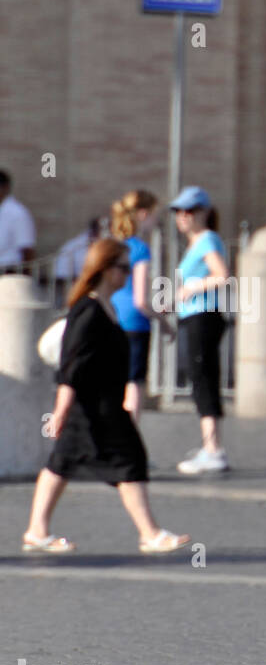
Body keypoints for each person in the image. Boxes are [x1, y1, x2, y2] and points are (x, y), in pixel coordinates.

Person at [21, 239, 190, 554]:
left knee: (62, 463)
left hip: (103, 404)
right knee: (127, 461)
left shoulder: (105, 306)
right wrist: (60, 410)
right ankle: (149, 533)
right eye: (123, 268)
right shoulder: (88, 309)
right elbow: (72, 365)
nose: (127, 274)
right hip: (92, 407)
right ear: (106, 269)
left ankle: (36, 530)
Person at [170, 186, 231, 474]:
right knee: (199, 377)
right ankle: (210, 445)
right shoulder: (197, 243)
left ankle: (213, 448)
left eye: (189, 211)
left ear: (203, 213)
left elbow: (222, 276)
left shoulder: (207, 240)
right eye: (179, 211)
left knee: (203, 378)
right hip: (194, 315)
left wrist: (194, 287)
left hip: (202, 316)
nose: (183, 217)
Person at [110, 190, 172, 423]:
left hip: (112, 317)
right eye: (156, 215)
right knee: (134, 384)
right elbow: (141, 299)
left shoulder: (113, 245)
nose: (157, 221)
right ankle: (131, 442)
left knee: (114, 382)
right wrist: (164, 322)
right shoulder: (140, 249)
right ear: (143, 214)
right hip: (135, 323)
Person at [0, 169, 36, 270]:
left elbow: (27, 249)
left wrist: (25, 279)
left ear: (5, 188)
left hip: (9, 272)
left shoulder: (17, 213)